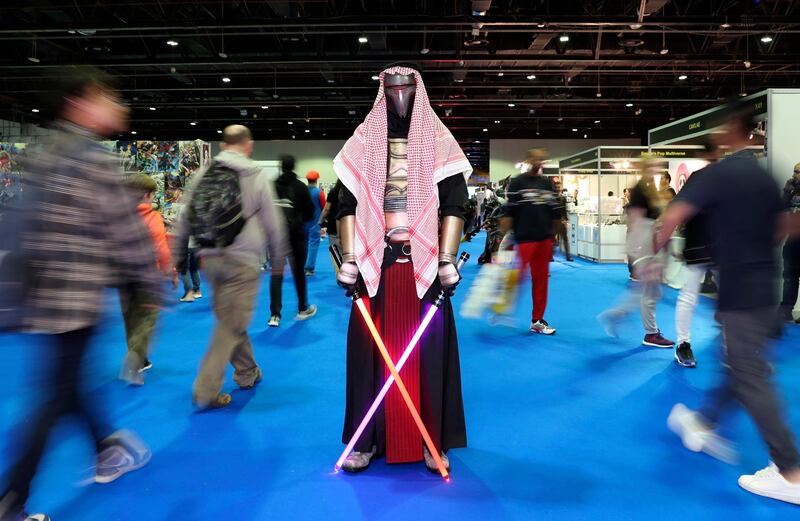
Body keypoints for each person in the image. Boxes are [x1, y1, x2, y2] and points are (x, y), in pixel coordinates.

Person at [0, 67, 158, 521]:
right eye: (107, 95)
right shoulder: (93, 159)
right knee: (53, 397)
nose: (117, 104)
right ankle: (12, 499)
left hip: (44, 298)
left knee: (67, 384)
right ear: (81, 102)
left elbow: (23, 226)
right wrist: (149, 283)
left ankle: (105, 449)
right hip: (75, 299)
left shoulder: (46, 152)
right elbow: (124, 232)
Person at [657, 107, 800, 505]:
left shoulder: (716, 175)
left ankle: (790, 471)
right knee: (736, 360)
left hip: (739, 289)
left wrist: (654, 253)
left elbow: (672, 217)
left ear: (727, 133)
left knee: (750, 374)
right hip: (764, 286)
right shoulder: (765, 177)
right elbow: (784, 227)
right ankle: (704, 423)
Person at [334, 65, 469, 474]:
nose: (398, 96)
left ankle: (432, 440)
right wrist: (352, 258)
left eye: (406, 89)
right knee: (368, 355)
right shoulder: (362, 143)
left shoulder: (438, 140)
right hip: (376, 266)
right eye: (390, 89)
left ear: (418, 90)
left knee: (428, 353)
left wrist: (446, 259)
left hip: (425, 268)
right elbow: (346, 205)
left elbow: (454, 204)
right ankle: (366, 438)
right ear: (381, 91)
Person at [173, 125, 287, 409]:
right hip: (243, 261)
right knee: (230, 324)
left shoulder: (203, 173)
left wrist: (177, 259)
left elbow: (184, 219)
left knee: (231, 320)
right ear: (248, 146)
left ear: (223, 145)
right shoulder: (255, 173)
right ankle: (206, 391)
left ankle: (247, 372)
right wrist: (278, 260)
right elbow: (273, 223)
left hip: (209, 260)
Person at [598, 159, 674, 348]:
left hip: (648, 242)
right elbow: (635, 222)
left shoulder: (648, 189)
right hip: (644, 243)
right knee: (649, 291)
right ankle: (650, 333)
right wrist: (635, 252)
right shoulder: (640, 190)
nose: (654, 169)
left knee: (647, 290)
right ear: (644, 168)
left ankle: (616, 315)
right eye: (651, 166)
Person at [118, 174, 175, 385]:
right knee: (149, 319)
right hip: (148, 276)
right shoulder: (152, 217)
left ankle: (139, 359)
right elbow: (161, 248)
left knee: (130, 320)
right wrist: (171, 272)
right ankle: (135, 360)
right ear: (146, 194)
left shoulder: (120, 216)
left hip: (124, 276)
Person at [672, 142, 721, 368]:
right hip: (699, 246)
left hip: (723, 247)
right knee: (688, 296)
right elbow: (679, 208)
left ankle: (738, 345)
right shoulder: (698, 178)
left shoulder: (731, 180)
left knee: (732, 295)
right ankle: (683, 344)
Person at [500, 148, 559, 334]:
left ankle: (537, 321)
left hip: (544, 239)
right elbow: (509, 212)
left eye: (541, 159)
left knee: (541, 281)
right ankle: (501, 309)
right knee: (517, 276)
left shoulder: (547, 184)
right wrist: (504, 241)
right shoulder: (518, 182)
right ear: (528, 160)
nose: (538, 161)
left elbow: (555, 213)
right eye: (535, 158)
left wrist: (555, 238)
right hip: (524, 238)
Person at [268, 155, 317, 327]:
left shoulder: (272, 186)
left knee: (276, 275)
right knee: (298, 273)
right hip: (296, 236)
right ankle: (302, 308)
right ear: (294, 166)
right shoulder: (300, 187)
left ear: (281, 167)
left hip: (276, 237)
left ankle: (275, 315)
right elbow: (311, 213)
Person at [780, 162, 800, 323]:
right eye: (794, 171)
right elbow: (783, 207)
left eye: (798, 172)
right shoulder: (790, 188)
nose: (795, 175)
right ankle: (786, 309)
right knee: (789, 276)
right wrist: (787, 191)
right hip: (793, 237)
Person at [304, 170, 326, 276]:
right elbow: (324, 207)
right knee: (313, 244)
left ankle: (301, 266)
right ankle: (309, 268)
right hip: (315, 222)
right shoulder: (319, 193)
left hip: (303, 223)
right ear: (316, 180)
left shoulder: (302, 191)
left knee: (303, 244)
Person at [320, 179, 343, 266]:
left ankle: (339, 274)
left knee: (335, 253)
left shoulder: (333, 192)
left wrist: (320, 221)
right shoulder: (350, 193)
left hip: (333, 226)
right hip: (348, 226)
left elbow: (326, 209)